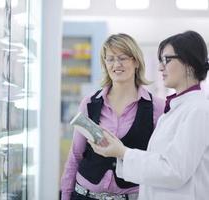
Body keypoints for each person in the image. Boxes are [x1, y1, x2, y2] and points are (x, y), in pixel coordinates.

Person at [89, 30, 209, 200]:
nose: (160, 67)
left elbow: (173, 171)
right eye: (161, 61)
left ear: (188, 63)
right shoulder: (177, 109)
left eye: (167, 60)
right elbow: (159, 161)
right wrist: (120, 152)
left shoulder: (198, 111)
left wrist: (123, 152)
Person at [60, 33, 165, 200]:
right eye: (110, 59)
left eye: (123, 58)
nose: (116, 64)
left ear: (136, 61)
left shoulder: (156, 107)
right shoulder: (89, 103)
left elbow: (158, 161)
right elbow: (75, 155)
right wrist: (65, 195)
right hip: (83, 195)